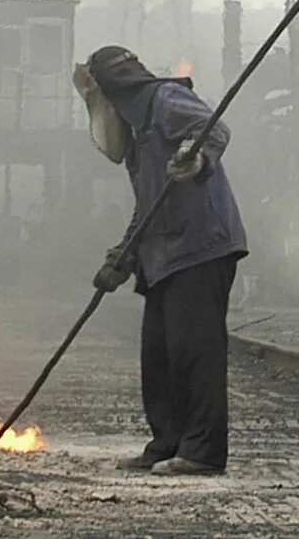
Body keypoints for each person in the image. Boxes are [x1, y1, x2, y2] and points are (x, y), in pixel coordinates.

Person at [74, 45, 246, 476]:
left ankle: (203, 452)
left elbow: (213, 128)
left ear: (111, 89)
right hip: (164, 256)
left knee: (195, 355)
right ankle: (167, 443)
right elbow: (148, 202)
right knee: (159, 356)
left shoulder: (164, 100)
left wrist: (196, 154)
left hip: (201, 247)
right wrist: (123, 256)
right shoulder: (136, 132)